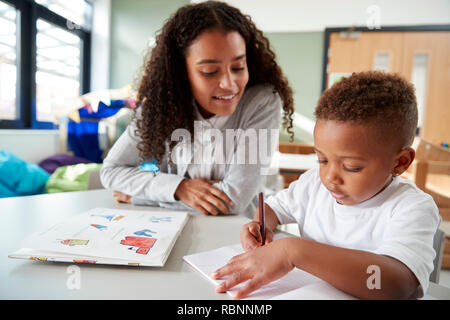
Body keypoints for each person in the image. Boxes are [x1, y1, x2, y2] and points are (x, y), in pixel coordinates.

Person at [212, 71, 441, 299]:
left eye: (351, 167)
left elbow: (395, 284)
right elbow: (273, 209)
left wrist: (294, 251)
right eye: (322, 160)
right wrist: (259, 224)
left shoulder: (412, 208)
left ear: (400, 162)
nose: (330, 177)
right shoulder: (313, 185)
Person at [100, 1, 294, 217]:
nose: (229, 84)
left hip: (237, 231)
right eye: (210, 71)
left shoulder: (262, 102)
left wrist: (140, 196)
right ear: (182, 73)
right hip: (170, 228)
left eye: (238, 67)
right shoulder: (161, 105)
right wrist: (181, 188)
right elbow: (111, 171)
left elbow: (233, 200)